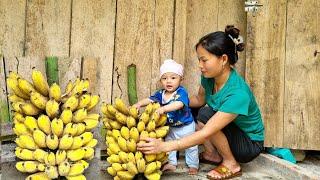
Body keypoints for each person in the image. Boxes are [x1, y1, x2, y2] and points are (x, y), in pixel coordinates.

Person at [137, 25, 265, 180]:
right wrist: (171, 102)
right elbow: (199, 100)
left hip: (248, 144)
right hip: (232, 130)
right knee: (191, 111)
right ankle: (213, 155)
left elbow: (206, 132)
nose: (200, 65)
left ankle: (231, 163)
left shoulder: (238, 93)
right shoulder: (210, 77)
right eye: (199, 59)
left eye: (204, 60)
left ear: (223, 59)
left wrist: (164, 146)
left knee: (205, 115)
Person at [133, 59, 199, 175]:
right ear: (161, 80)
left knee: (191, 146)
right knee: (169, 145)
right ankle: (172, 163)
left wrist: (164, 108)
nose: (169, 81)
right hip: (170, 126)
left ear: (181, 79)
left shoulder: (181, 92)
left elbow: (179, 104)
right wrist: (139, 104)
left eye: (173, 78)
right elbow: (150, 99)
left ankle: (193, 165)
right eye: (165, 78)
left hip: (186, 125)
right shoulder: (161, 94)